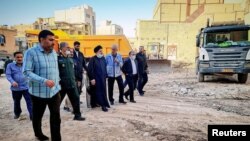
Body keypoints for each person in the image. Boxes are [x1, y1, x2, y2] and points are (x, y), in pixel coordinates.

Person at [23, 30, 61, 141]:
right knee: (37, 116)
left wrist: (58, 82)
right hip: (38, 93)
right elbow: (26, 72)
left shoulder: (54, 52)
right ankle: (38, 134)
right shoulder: (31, 53)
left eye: (53, 40)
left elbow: (55, 70)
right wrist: (44, 81)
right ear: (42, 40)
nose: (53, 42)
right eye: (50, 40)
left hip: (54, 92)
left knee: (56, 118)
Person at [58, 42, 85, 121]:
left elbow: (73, 71)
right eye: (67, 47)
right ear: (62, 48)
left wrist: (77, 80)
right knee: (57, 102)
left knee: (76, 99)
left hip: (72, 83)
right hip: (62, 85)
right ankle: (55, 116)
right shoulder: (58, 59)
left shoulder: (70, 58)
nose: (69, 49)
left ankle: (77, 115)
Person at [6, 51, 32, 120]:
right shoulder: (10, 65)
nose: (19, 58)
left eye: (21, 57)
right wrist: (12, 82)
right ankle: (17, 114)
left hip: (26, 87)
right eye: (17, 57)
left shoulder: (27, 65)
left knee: (29, 101)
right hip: (16, 88)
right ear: (14, 58)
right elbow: (8, 75)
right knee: (16, 102)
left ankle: (32, 115)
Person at [88, 45, 110, 112]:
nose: (101, 52)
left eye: (101, 51)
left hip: (103, 78)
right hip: (96, 79)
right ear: (96, 52)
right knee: (99, 92)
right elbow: (90, 70)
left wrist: (106, 76)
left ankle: (100, 103)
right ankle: (103, 105)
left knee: (103, 91)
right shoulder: (93, 59)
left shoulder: (103, 58)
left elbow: (105, 67)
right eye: (100, 51)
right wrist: (92, 79)